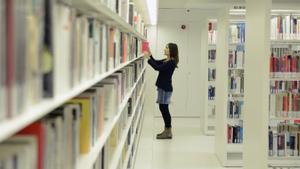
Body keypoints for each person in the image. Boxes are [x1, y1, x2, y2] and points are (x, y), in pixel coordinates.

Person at [144, 43, 179, 139]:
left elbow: (157, 68)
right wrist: (150, 54)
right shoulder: (166, 60)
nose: (164, 49)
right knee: (163, 108)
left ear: (171, 50)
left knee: (164, 109)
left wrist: (148, 58)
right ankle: (167, 130)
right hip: (163, 87)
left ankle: (168, 131)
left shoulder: (171, 62)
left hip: (165, 88)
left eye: (166, 48)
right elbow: (155, 62)